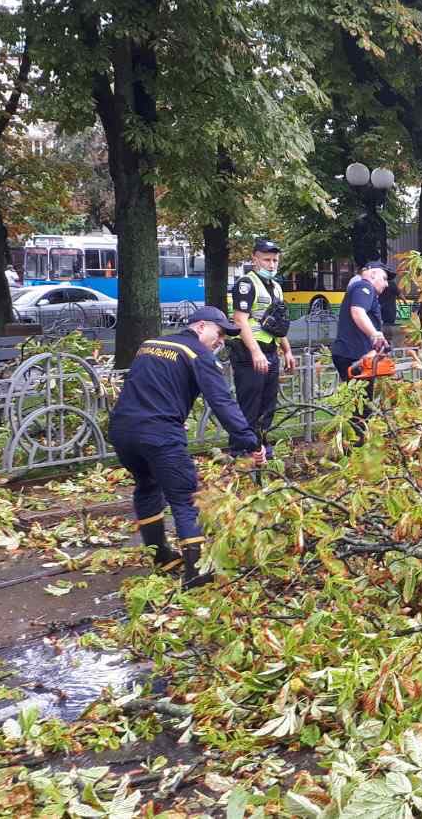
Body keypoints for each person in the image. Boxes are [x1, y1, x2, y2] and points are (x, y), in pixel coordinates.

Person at [108, 307, 265, 588]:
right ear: (201, 326)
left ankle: (161, 556)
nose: (221, 342)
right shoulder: (197, 354)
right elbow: (222, 402)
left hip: (123, 431)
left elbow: (145, 385)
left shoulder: (151, 345)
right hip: (160, 434)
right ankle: (196, 573)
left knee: (147, 486)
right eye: (219, 334)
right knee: (186, 497)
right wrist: (250, 441)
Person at [230, 239, 295, 459]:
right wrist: (255, 352)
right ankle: (242, 450)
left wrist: (287, 350)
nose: (271, 264)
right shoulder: (246, 284)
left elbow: (277, 322)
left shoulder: (276, 287)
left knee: (268, 404)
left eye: (275, 260)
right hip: (250, 353)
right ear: (254, 259)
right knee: (249, 403)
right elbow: (240, 321)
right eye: (267, 259)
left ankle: (260, 445)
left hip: (270, 351)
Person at [331, 261, 393, 410]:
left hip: (356, 355)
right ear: (372, 274)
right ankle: (359, 433)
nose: (387, 285)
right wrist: (375, 335)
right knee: (361, 408)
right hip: (355, 356)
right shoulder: (364, 286)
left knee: (357, 404)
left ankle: (355, 431)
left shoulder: (363, 290)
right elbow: (357, 311)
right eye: (384, 279)